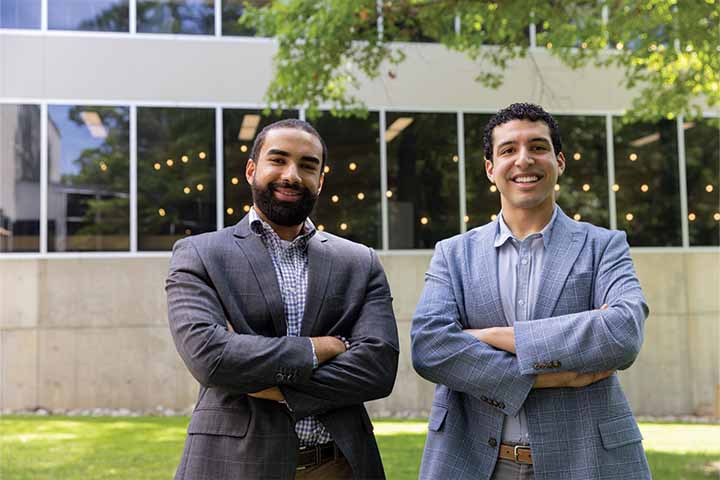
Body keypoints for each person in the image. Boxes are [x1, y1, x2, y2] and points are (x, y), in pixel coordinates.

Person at [411, 103, 651, 480]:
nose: (524, 160)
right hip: (473, 462)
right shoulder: (453, 254)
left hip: (585, 461)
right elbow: (429, 349)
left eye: (537, 147)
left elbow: (622, 334)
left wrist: (494, 337)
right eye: (508, 150)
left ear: (559, 161)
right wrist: (550, 376)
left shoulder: (603, 246)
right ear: (490, 168)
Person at [166, 119, 399, 479]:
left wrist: (269, 384)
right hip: (235, 465)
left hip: (339, 466)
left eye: (307, 165)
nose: (292, 175)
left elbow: (378, 370)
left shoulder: (359, 262)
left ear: (320, 181)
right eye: (278, 160)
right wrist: (319, 349)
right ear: (251, 169)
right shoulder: (200, 254)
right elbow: (211, 358)